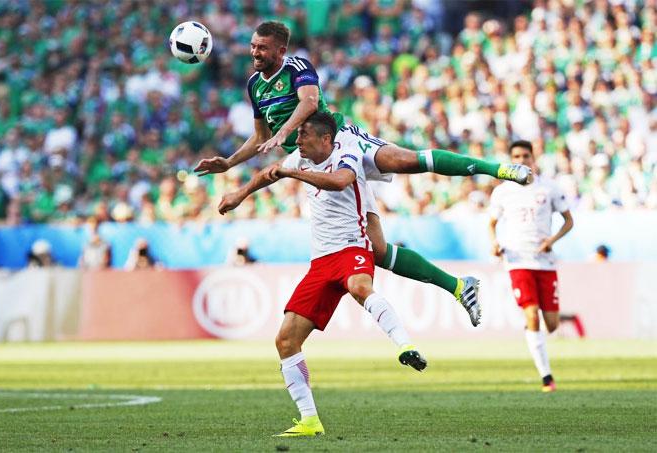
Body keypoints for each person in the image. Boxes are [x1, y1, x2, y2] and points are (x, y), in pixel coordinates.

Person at [194, 21, 498, 323]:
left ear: (280, 50)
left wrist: (283, 131)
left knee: (405, 161)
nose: (255, 52)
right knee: (377, 251)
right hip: (309, 157)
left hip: (338, 142)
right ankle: (459, 286)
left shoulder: (297, 66)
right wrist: (229, 163)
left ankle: (496, 169)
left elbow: (309, 102)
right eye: (252, 46)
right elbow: (261, 137)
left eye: (262, 47)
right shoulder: (254, 84)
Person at [219, 112, 433, 437]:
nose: (297, 139)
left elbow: (341, 181)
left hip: (352, 246)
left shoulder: (346, 150)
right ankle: (309, 420)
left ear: (324, 139)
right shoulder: (300, 157)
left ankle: (405, 346)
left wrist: (295, 173)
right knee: (286, 340)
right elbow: (268, 174)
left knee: (360, 286)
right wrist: (240, 194)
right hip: (320, 260)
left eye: (302, 134)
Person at [488, 140, 574, 393]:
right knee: (531, 312)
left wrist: (552, 240)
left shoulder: (549, 188)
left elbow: (569, 221)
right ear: (511, 159)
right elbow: (491, 224)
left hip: (545, 261)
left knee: (552, 324)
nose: (522, 160)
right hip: (517, 260)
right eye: (517, 156)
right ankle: (547, 377)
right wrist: (495, 244)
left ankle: (532, 328)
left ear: (533, 158)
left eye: (526, 155)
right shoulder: (502, 192)